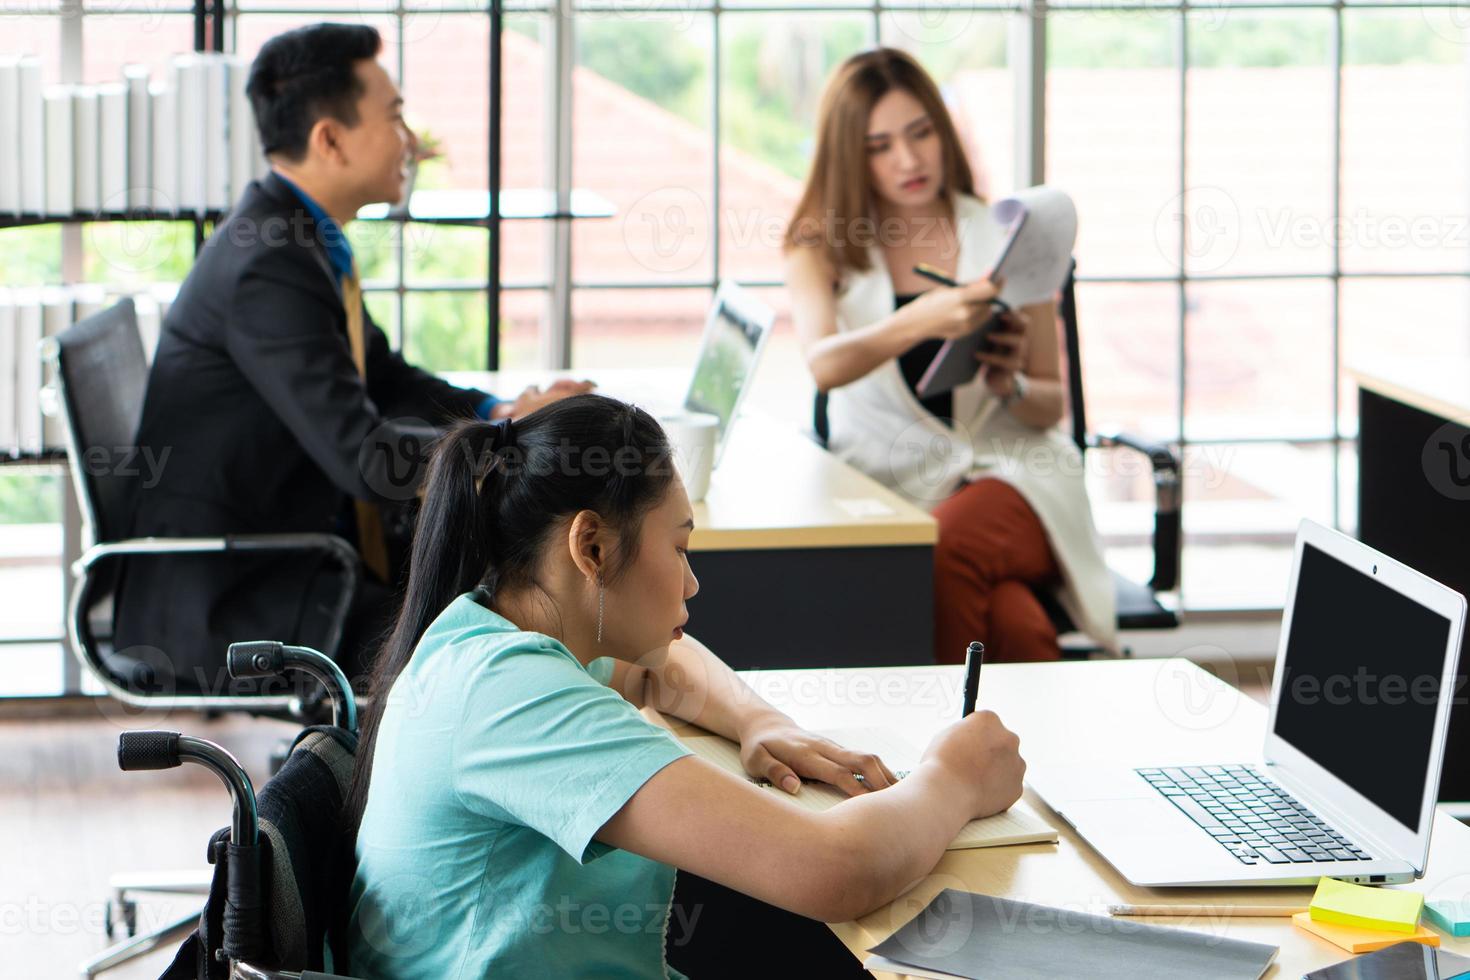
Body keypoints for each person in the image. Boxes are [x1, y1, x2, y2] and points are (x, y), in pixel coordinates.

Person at [345, 393, 1027, 978]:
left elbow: (662, 667)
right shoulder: (513, 697)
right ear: (591, 548)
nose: (693, 582)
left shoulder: (499, 635)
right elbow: (834, 868)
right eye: (679, 547)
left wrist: (760, 722)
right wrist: (954, 775)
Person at [114, 23, 589, 690]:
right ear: (328, 139)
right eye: (394, 118)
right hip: (243, 595)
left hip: (299, 556)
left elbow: (386, 378)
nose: (413, 144)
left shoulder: (298, 241)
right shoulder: (268, 266)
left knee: (507, 594)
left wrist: (501, 411)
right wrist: (510, 445)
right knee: (505, 632)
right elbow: (365, 458)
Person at [783, 47, 1116, 663]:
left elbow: (1049, 408)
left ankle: (939, 753)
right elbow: (824, 363)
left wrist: (1008, 384)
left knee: (947, 552)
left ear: (944, 129)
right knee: (1011, 620)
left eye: (921, 133)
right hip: (895, 486)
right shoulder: (821, 247)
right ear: (848, 156)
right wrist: (922, 319)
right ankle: (1040, 754)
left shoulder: (1007, 238)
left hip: (1016, 476)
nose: (908, 160)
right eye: (879, 145)